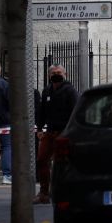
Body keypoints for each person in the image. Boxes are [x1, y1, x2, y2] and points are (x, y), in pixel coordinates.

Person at [34, 64, 79, 204]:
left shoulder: (70, 91)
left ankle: (62, 192)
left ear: (64, 74)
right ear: (49, 75)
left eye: (59, 72)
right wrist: (40, 128)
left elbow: (75, 112)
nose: (56, 74)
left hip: (64, 132)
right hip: (50, 132)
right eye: (53, 72)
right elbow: (41, 111)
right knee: (41, 160)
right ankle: (44, 193)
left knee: (62, 163)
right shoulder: (47, 91)